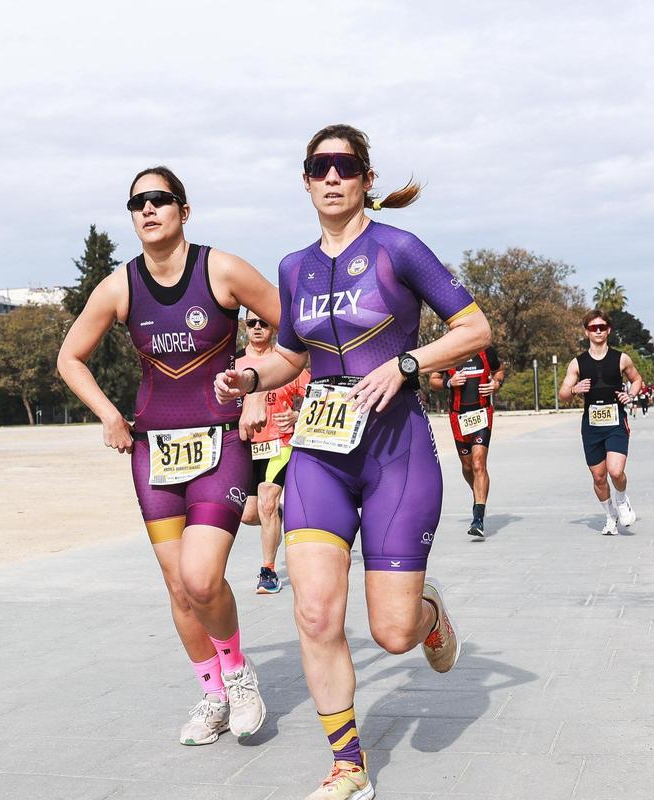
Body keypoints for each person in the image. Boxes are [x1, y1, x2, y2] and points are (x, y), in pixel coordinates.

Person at [216, 124, 491, 800]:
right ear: (306, 180)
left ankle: (428, 612)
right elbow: (291, 355)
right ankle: (348, 765)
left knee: (392, 633)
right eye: (319, 166)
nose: (332, 177)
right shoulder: (292, 267)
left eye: (345, 166)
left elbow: (475, 328)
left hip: (396, 454)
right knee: (313, 613)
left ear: (367, 178)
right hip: (319, 456)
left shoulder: (399, 248)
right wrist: (251, 377)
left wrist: (407, 363)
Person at [57, 166, 280, 748]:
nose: (148, 209)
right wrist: (109, 414)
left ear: (184, 209)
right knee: (179, 587)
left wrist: (255, 386)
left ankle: (238, 675)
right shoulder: (118, 286)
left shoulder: (222, 270)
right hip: (152, 452)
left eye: (160, 199)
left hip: (220, 443)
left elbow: (295, 331)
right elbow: (69, 358)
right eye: (137, 202)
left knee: (203, 577)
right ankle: (212, 695)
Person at [234, 310, 310, 594]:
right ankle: (276, 514)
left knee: (266, 500)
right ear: (244, 327)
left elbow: (317, 395)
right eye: (251, 323)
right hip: (246, 447)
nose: (256, 328)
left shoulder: (286, 364)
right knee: (249, 514)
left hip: (280, 444)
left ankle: (268, 571)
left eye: (263, 323)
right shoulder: (236, 364)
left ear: (273, 329)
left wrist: (297, 415)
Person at [558, 309, 644, 536]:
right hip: (591, 426)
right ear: (586, 331)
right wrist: (574, 390)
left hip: (616, 422)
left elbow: (636, 380)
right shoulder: (577, 363)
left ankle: (623, 500)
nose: (598, 331)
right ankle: (610, 515)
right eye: (593, 328)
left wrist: (631, 395)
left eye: (602, 327)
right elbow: (563, 394)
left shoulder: (621, 358)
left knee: (615, 472)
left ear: (609, 330)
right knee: (598, 476)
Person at [442, 347, 505, 538]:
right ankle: (478, 494)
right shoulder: (447, 352)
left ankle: (478, 517)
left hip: (482, 414)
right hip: (457, 416)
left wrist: (496, 383)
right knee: (468, 466)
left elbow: (499, 369)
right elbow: (433, 381)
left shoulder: (486, 351)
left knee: (478, 464)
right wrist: (449, 382)